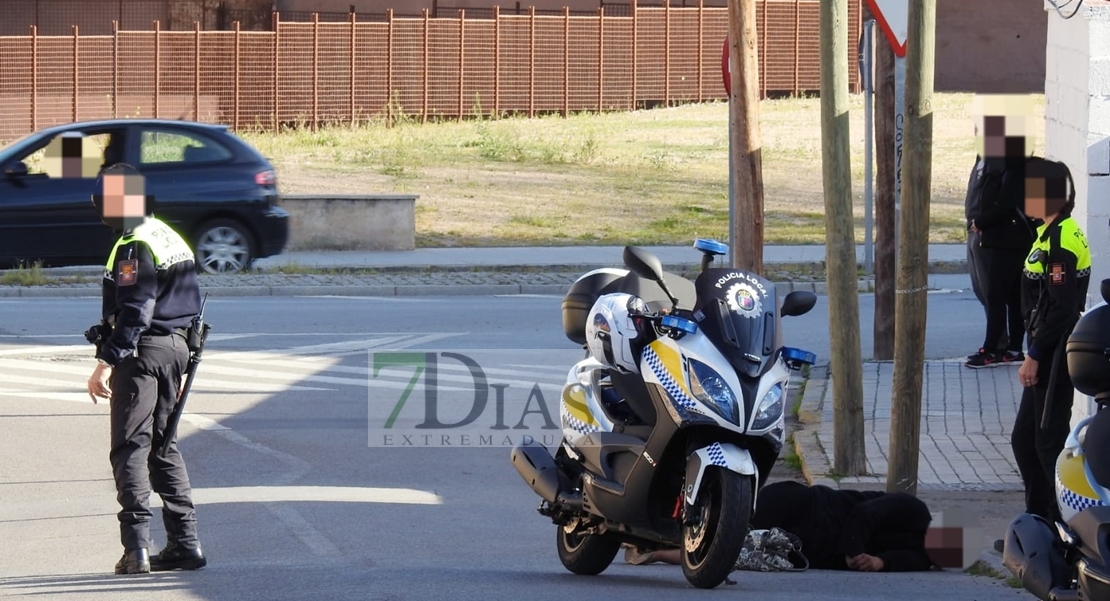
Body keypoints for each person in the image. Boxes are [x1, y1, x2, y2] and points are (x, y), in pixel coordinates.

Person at [85, 165, 208, 575]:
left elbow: (138, 308)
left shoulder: (134, 243)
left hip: (141, 355)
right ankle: (185, 544)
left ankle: (136, 548)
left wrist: (106, 361)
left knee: (130, 448)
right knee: (163, 446)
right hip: (174, 351)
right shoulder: (168, 236)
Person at [1011, 157, 1091, 524]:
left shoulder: (1061, 239)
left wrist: (1036, 355)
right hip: (1045, 352)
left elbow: (1061, 309)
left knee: (1046, 444)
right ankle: (1036, 522)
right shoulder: (1048, 233)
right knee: (1025, 441)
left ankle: (1062, 526)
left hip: (1054, 355)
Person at [624, 481, 939, 572]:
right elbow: (866, 515)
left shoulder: (923, 558)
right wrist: (854, 550)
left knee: (729, 554)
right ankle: (652, 528)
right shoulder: (914, 510)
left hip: (800, 546)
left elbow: (903, 561)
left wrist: (878, 562)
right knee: (727, 524)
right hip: (803, 507)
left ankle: (654, 552)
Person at [964, 110, 1040, 369]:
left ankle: (992, 349)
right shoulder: (1002, 163)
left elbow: (1005, 205)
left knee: (996, 296)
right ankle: (1014, 349)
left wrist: (980, 222)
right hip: (1003, 239)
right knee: (1010, 297)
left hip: (1008, 241)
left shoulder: (1013, 167)